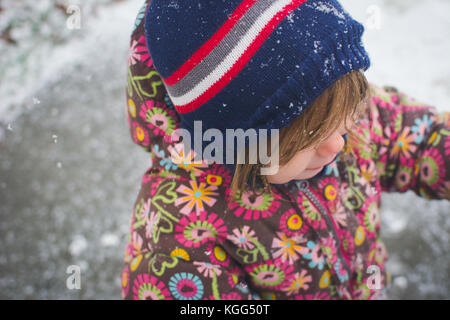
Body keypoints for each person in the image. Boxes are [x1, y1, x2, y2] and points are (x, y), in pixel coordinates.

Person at [121, 0, 450, 300]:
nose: (337, 143)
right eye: (307, 138)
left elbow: (423, 140)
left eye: (347, 112)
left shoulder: (340, 109)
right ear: (238, 143)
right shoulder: (179, 239)